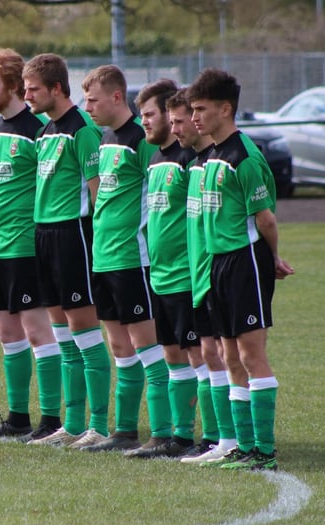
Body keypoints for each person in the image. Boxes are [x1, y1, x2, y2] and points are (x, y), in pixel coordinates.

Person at [188, 68, 293, 470]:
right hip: (218, 263)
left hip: (245, 261)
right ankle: (243, 446)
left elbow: (265, 219)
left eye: (201, 109)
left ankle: (264, 451)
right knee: (229, 354)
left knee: (251, 355)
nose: (195, 117)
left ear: (225, 108)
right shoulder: (213, 154)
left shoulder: (244, 157)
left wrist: (272, 258)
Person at [0, 47, 63, 440]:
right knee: (7, 333)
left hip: (26, 245)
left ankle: (51, 419)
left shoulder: (36, 131)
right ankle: (18, 418)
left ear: (11, 86)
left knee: (37, 332)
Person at [22, 54, 110, 449]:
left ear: (56, 88)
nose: (26, 96)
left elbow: (97, 193)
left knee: (85, 333)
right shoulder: (44, 132)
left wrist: (96, 243)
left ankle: (99, 425)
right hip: (44, 236)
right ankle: (72, 424)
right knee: (63, 336)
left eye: (33, 89)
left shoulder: (83, 130)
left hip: (73, 235)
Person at [80, 65, 164, 453]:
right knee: (119, 349)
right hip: (104, 258)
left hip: (134, 258)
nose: (87, 107)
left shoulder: (142, 141)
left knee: (148, 346)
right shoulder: (104, 138)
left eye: (93, 100)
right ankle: (125, 431)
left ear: (117, 97)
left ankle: (166, 433)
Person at [124, 80, 197, 458]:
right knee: (170, 356)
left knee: (199, 356)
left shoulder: (189, 160)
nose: (145, 122)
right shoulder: (154, 160)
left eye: (150, 115)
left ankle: (208, 438)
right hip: (159, 274)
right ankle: (173, 437)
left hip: (187, 276)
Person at [167, 89, 237, 464]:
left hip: (220, 276)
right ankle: (220, 439)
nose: (187, 123)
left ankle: (233, 439)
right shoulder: (195, 164)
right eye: (182, 117)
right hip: (195, 278)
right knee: (209, 355)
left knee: (230, 356)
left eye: (192, 114)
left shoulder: (225, 162)